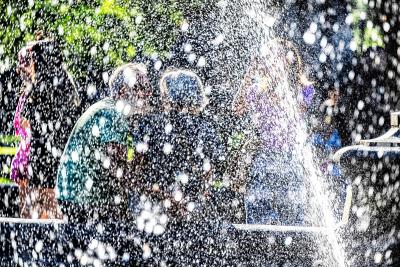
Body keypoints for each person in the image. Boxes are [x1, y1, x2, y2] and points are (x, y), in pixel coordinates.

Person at [128, 69, 224, 230]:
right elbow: (209, 175)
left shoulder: (150, 126)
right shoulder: (208, 130)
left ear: (169, 97)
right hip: (192, 208)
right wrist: (188, 200)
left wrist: (166, 197)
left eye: (164, 93)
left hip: (153, 207)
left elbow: (135, 172)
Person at [56, 63, 153, 222]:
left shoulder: (111, 110)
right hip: (83, 200)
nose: (148, 93)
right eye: (142, 87)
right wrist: (155, 191)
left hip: (82, 196)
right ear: (123, 90)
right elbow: (117, 167)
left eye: (148, 88)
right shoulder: (110, 115)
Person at [231, 39, 310, 225]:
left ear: (285, 61)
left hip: (290, 158)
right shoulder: (258, 89)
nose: (265, 61)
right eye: (265, 57)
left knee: (293, 218)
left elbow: (305, 100)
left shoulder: (300, 90)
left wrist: (282, 78)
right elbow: (237, 108)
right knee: (259, 218)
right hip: (264, 158)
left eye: (270, 56)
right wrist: (250, 73)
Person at [12, 37, 81, 219]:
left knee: (34, 214)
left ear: (41, 61)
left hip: (44, 156)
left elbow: (25, 122)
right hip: (60, 154)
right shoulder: (65, 85)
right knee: (48, 213)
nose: (31, 63)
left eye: (33, 59)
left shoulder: (40, 89)